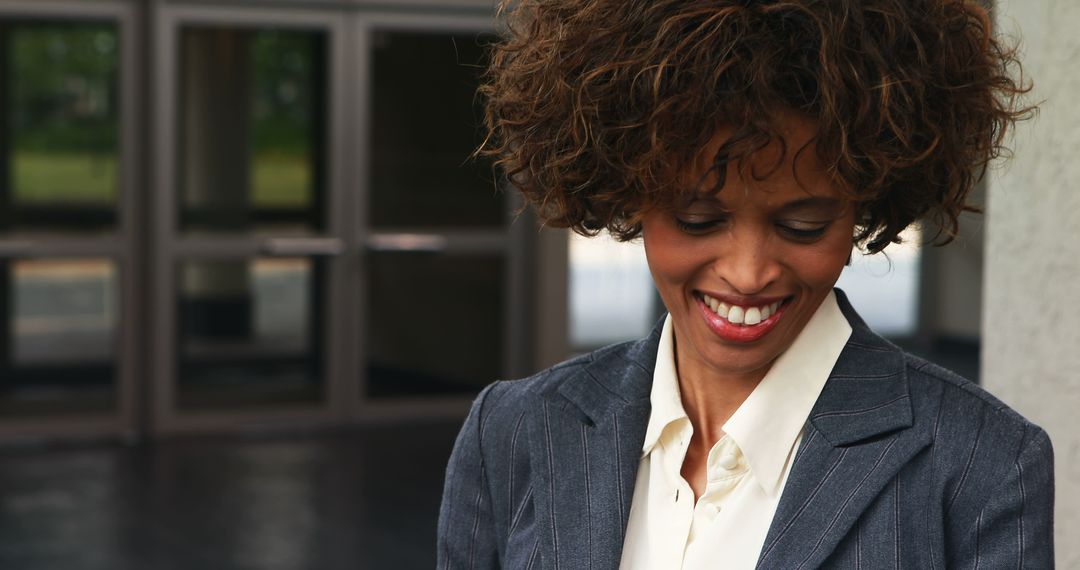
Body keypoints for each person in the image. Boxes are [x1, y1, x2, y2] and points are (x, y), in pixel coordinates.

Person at [438, 0, 1053, 568]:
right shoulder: (513, 431)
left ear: (867, 202)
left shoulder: (982, 465)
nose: (749, 271)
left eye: (803, 225)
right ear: (630, 193)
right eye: (698, 221)